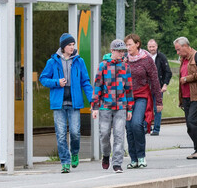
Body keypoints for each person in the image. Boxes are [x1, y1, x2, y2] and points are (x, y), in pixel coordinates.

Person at [39, 33, 94, 173]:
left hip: (74, 103)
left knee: (75, 132)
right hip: (59, 104)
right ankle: (65, 162)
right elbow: (43, 79)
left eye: (73, 45)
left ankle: (74, 152)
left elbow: (85, 82)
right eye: (69, 45)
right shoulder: (52, 61)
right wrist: (56, 82)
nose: (72, 47)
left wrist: (93, 101)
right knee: (61, 134)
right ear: (63, 46)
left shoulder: (79, 61)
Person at [91, 40, 134, 173]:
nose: (121, 53)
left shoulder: (125, 66)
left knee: (119, 135)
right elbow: (97, 85)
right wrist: (95, 106)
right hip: (105, 106)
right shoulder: (103, 66)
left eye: (123, 51)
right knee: (104, 134)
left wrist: (130, 107)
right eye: (119, 51)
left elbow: (129, 88)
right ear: (112, 51)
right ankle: (105, 154)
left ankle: (117, 163)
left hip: (121, 106)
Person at [124, 34, 163, 169]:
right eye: (126, 45)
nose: (127, 47)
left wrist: (158, 101)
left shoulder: (146, 60)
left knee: (136, 124)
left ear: (137, 44)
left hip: (142, 96)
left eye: (130, 45)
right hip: (127, 98)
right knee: (128, 128)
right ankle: (133, 159)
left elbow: (155, 81)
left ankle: (141, 157)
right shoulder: (124, 60)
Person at [174, 36, 197, 159]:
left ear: (185, 46)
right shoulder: (182, 59)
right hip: (186, 96)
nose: (178, 52)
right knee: (190, 125)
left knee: (193, 121)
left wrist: (187, 78)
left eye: (179, 49)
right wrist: (180, 100)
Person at [147, 39, 172, 136]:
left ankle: (156, 129)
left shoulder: (161, 57)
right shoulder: (146, 57)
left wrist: (165, 84)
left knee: (157, 108)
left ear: (156, 46)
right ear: (147, 47)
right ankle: (147, 127)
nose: (152, 48)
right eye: (150, 47)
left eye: (153, 46)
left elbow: (168, 72)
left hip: (158, 87)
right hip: (147, 87)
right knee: (146, 108)